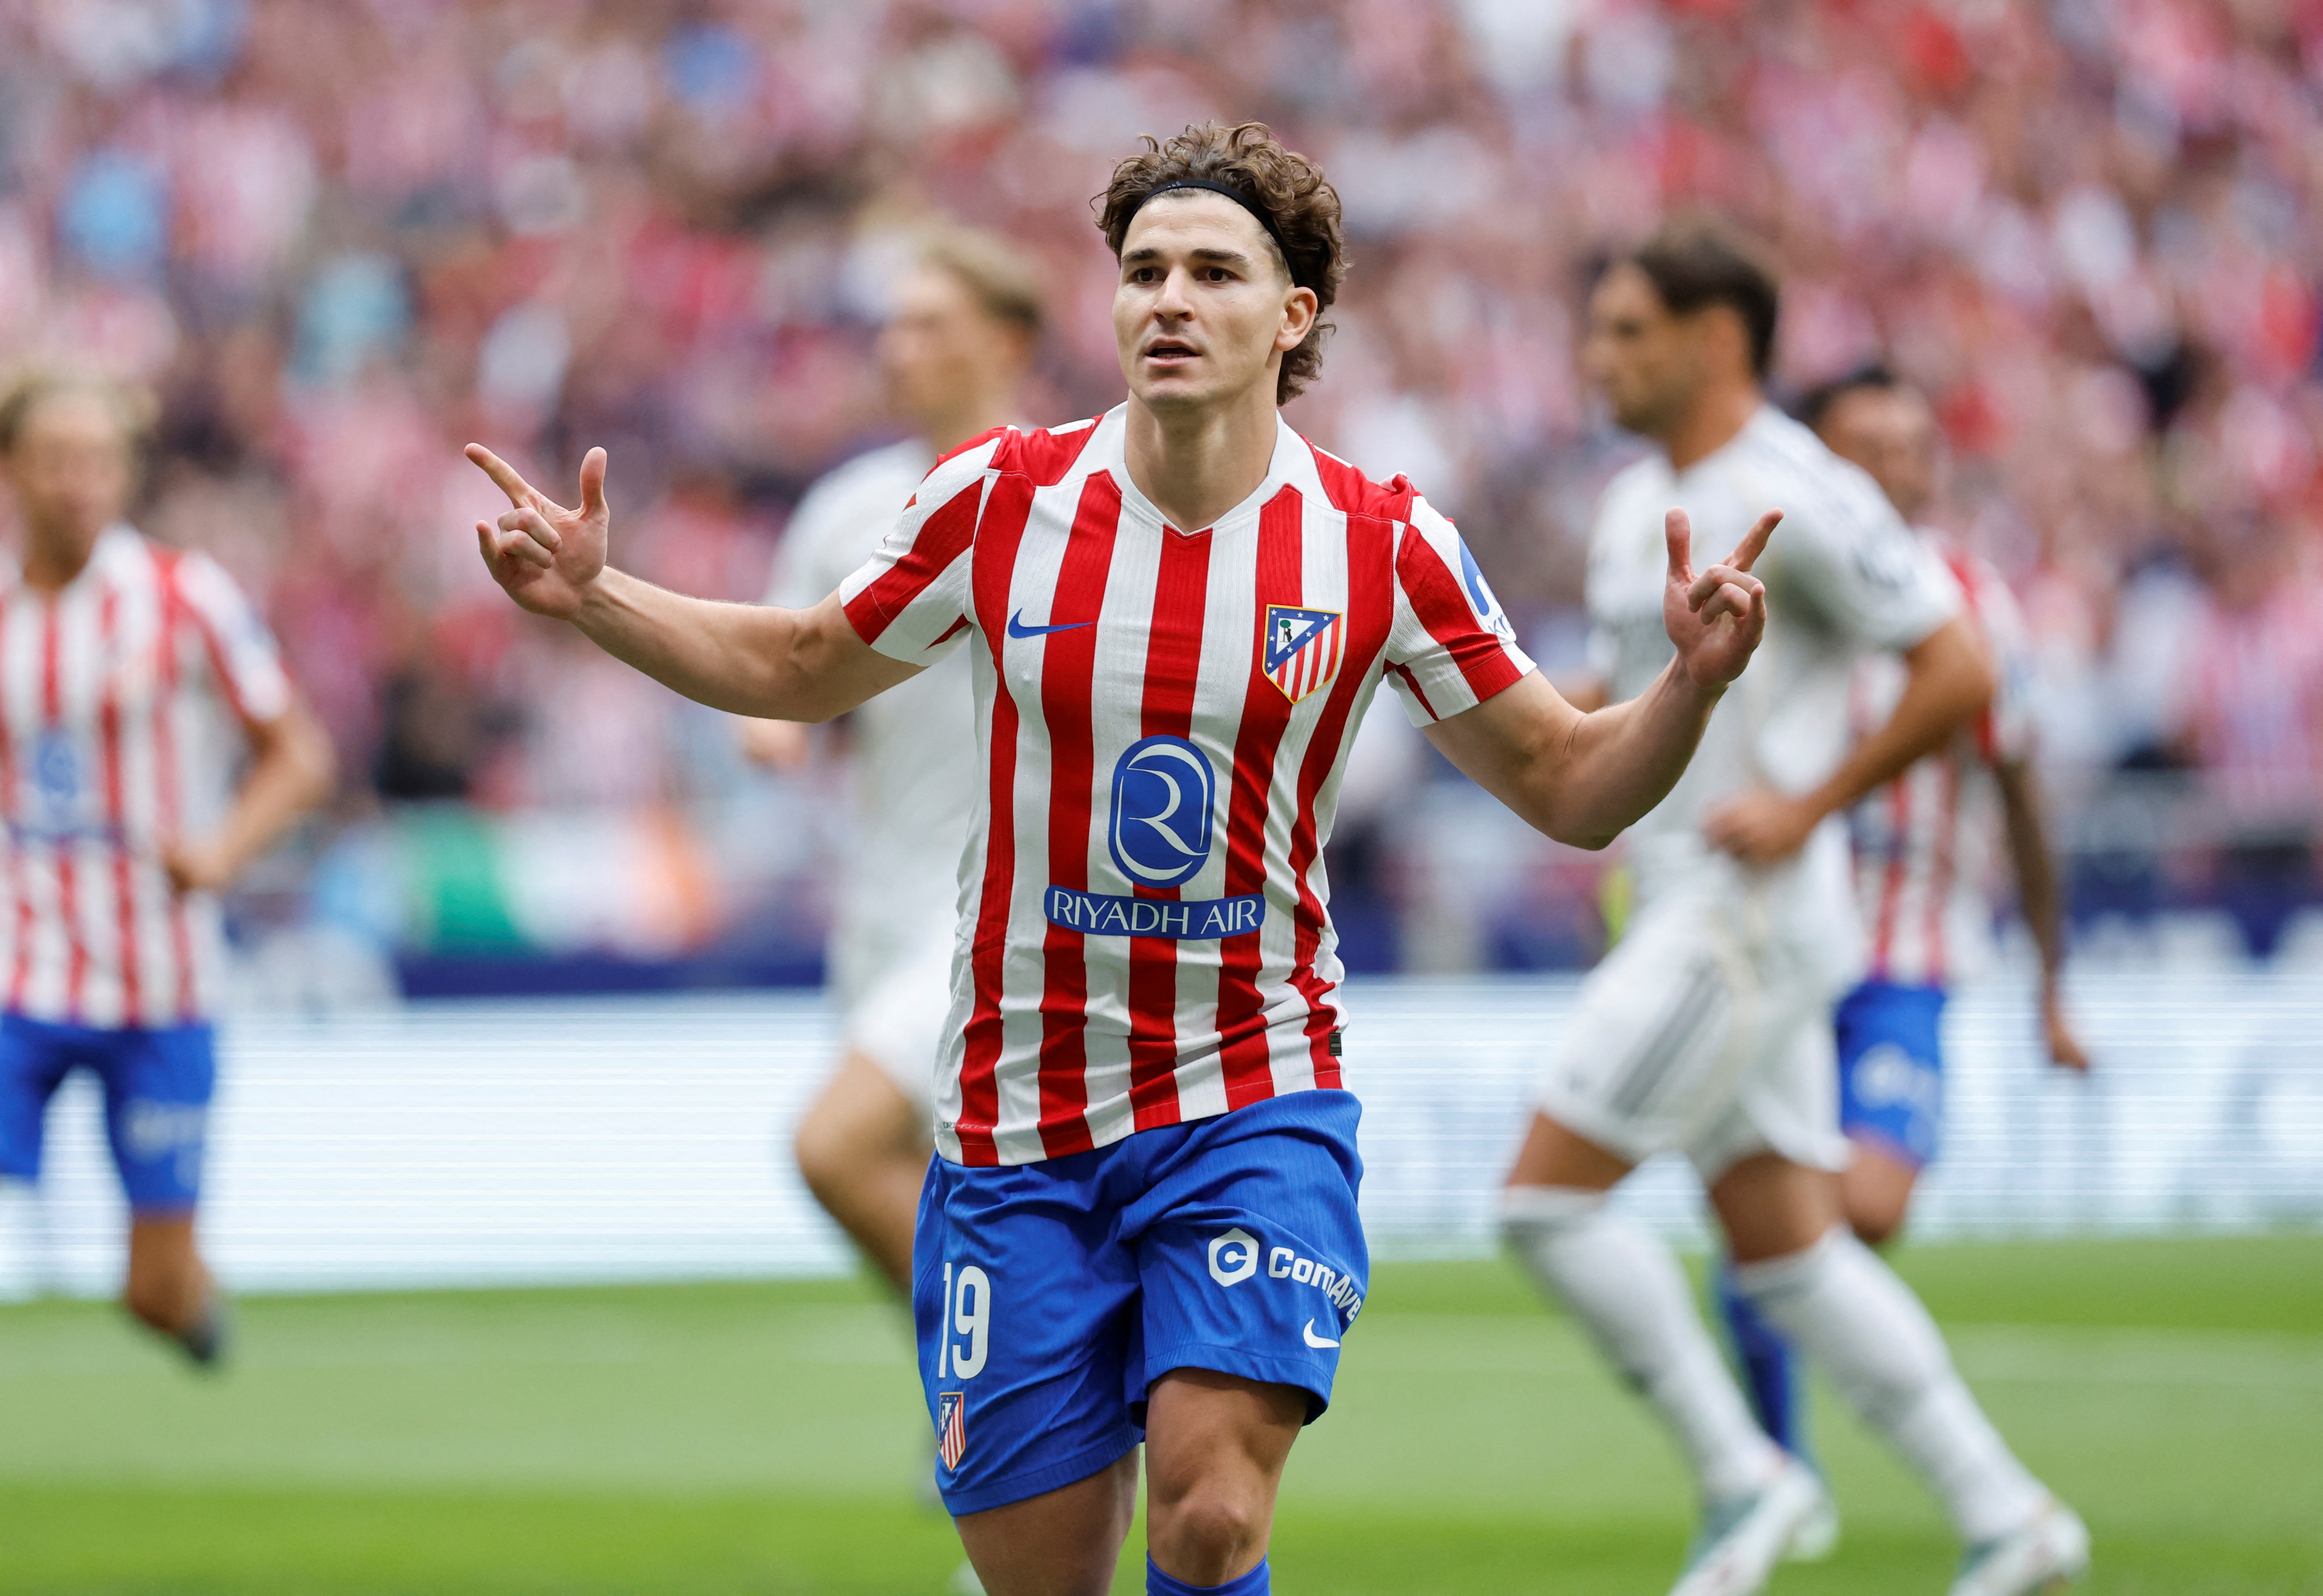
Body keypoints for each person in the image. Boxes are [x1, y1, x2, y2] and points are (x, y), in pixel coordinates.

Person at [465, 122, 1775, 1596]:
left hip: (1251, 1092)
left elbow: (1569, 783)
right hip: (1013, 1116)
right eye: (1144, 270)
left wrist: (1689, 689)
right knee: (1042, 1576)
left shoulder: (1380, 540)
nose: (1168, 298)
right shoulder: (999, 501)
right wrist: (598, 597)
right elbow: (802, 663)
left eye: (1213, 271)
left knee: (1210, 1515)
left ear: (1291, 317)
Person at [1499, 225, 2088, 1596]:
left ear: (1715, 340)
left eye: (1628, 330)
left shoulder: (1797, 491)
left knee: (1541, 1210)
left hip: (1742, 914)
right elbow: (1611, 700)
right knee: (1794, 1262)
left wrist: (1810, 802)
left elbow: (1958, 665)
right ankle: (2011, 1517)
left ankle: (1742, 1477)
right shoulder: (1633, 498)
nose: (1598, 356)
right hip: (1683, 904)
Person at [1716, 363, 2094, 1526]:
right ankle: (1782, 1467)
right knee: (1776, 1201)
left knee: (1862, 1206)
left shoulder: (1975, 603)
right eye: (1865, 446)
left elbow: (2023, 798)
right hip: (1773, 948)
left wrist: (2050, 982)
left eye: (1913, 444)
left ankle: (1773, 1306)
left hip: (1903, 959)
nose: (1896, 466)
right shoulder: (1767, 586)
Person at [0, 370, 334, 1362]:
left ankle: (189, 1302)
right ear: (13, 470)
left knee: (154, 1291)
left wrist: (222, 848)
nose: (77, 482)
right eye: (56, 460)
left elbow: (302, 754)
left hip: (160, 978)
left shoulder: (184, 596)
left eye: (97, 461)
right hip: (19, 970)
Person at [738, 228, 1043, 1299]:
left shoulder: (1064, 501)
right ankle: (984, 1391)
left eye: (930, 325)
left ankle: (1020, 1367)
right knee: (936, 1181)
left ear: (1006, 344)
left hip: (999, 915)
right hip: (881, 907)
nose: (898, 349)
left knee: (835, 1146)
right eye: (893, 327)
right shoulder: (846, 509)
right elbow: (780, 680)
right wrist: (772, 726)